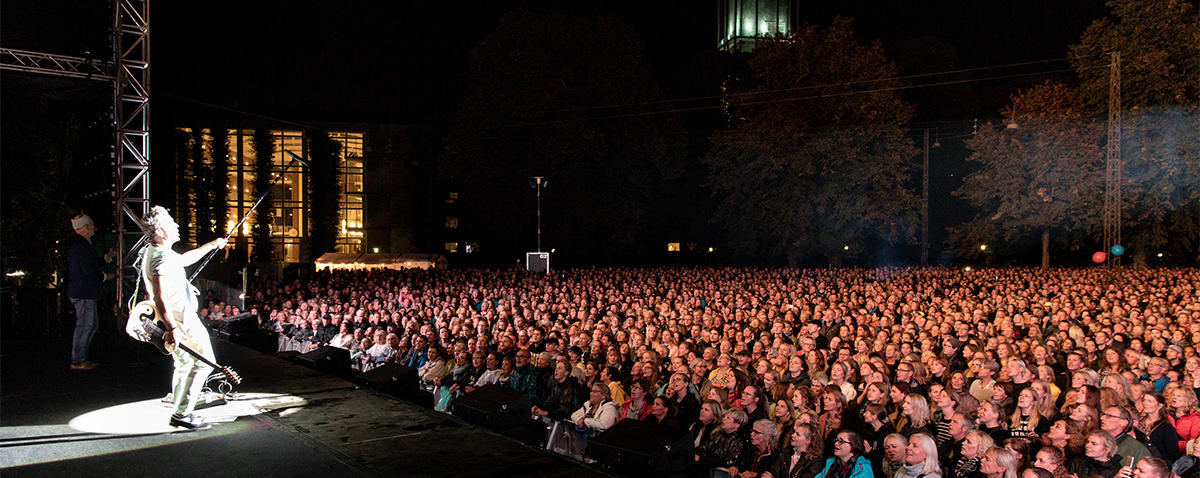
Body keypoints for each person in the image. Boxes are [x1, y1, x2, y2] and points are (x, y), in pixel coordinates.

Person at [140, 206, 227, 430]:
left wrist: (211, 245)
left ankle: (178, 403)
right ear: (159, 230)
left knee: (184, 363)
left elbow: (184, 260)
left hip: (179, 321)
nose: (177, 226)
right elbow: (159, 296)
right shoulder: (159, 256)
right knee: (204, 363)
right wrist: (172, 327)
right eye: (171, 223)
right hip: (182, 322)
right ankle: (182, 413)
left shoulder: (159, 251)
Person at [67, 213, 117, 370]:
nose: (94, 227)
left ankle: (80, 359)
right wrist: (105, 276)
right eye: (91, 224)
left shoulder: (81, 244)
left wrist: (107, 257)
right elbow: (89, 270)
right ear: (86, 228)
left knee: (90, 325)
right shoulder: (81, 246)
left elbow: (91, 265)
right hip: (84, 293)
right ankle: (77, 360)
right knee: (86, 326)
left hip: (83, 292)